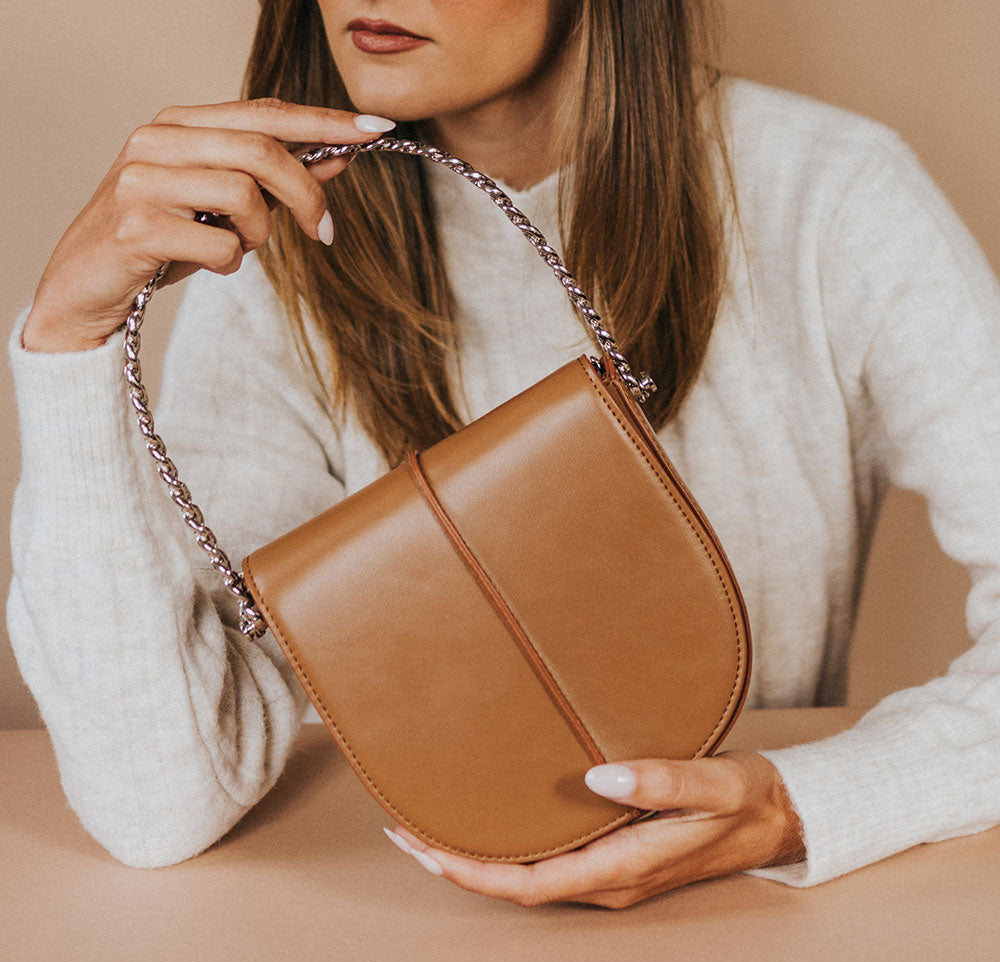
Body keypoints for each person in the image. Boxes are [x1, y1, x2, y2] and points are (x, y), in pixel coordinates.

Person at [8, 0, 1000, 910]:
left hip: (776, 923)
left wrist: (799, 804)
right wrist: (69, 336)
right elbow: (158, 799)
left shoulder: (828, 195)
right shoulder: (274, 246)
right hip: (402, 917)